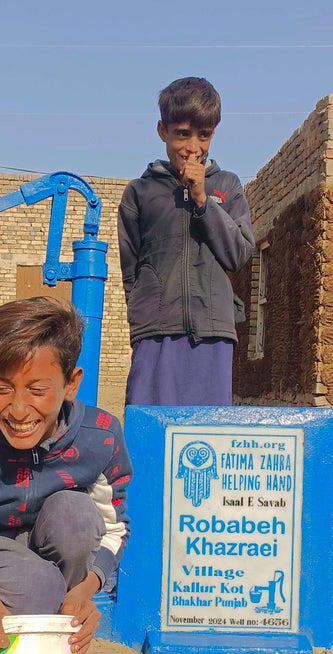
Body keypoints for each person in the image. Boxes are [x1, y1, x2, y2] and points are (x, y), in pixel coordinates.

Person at [0, 296, 131, 654]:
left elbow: (114, 530)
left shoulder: (101, 437)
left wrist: (86, 589)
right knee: (38, 590)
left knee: (77, 517)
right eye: (2, 388)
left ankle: (58, 619)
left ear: (71, 383)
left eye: (37, 390)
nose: (18, 410)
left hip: (48, 541)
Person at [117, 75, 254, 406]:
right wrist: (146, 317)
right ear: (162, 131)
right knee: (148, 428)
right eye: (182, 134)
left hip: (213, 334)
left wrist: (203, 200)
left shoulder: (228, 185)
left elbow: (239, 253)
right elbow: (130, 270)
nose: (193, 147)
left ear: (213, 134)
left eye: (203, 135)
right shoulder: (139, 192)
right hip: (156, 333)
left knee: (205, 436)